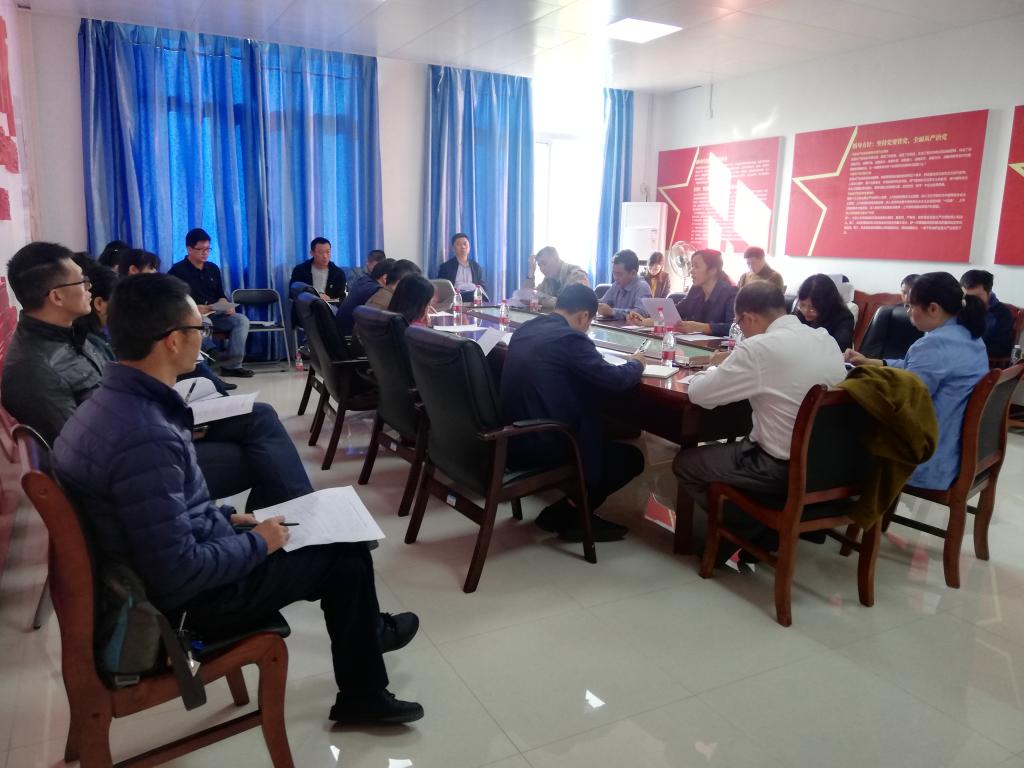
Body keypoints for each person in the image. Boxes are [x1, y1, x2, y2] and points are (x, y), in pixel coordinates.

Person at [52, 273, 423, 725]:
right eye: (199, 329)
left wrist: (230, 519)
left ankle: (365, 657)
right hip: (184, 607)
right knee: (345, 554)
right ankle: (364, 689)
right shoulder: (144, 434)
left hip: (159, 572)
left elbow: (166, 514)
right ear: (172, 341)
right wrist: (258, 543)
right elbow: (178, 574)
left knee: (330, 537)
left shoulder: (109, 403)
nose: (204, 337)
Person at [1, 242, 307, 508]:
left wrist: (173, 419)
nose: (89, 287)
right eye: (81, 281)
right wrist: (173, 428)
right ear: (56, 297)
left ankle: (295, 532)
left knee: (260, 416)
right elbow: (85, 453)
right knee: (266, 456)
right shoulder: (34, 369)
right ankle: (297, 535)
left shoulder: (74, 336)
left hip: (146, 434)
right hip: (135, 472)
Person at [674, 281, 848, 559]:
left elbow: (699, 394)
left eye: (739, 323)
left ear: (749, 317)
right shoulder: (824, 339)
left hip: (780, 469)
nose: (740, 330)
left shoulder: (759, 348)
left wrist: (717, 366)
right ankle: (763, 526)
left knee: (686, 464)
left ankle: (749, 527)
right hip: (832, 467)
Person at [501, 283, 645, 542]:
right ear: (584, 316)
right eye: (588, 323)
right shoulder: (571, 338)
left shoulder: (527, 328)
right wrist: (636, 364)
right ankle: (572, 514)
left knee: (601, 431)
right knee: (630, 458)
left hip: (511, 434)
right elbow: (615, 381)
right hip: (543, 441)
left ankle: (566, 510)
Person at [845, 272, 989, 490]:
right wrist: (873, 362)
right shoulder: (968, 336)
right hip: (956, 451)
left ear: (933, 308)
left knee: (844, 431)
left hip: (927, 458)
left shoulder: (934, 345)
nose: (908, 311)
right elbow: (914, 371)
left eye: (910, 306)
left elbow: (905, 399)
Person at [168, 228, 253, 378]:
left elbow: (220, 294)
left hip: (215, 313)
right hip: (192, 316)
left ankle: (232, 365)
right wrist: (194, 308)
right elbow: (173, 301)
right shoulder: (177, 271)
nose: (205, 253)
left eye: (208, 249)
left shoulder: (213, 268)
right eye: (200, 249)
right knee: (203, 322)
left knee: (241, 320)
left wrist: (225, 304)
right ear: (189, 249)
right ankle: (212, 357)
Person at [629, 248, 736, 335]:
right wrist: (644, 321)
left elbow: (734, 328)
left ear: (713, 270)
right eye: (691, 266)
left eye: (696, 266)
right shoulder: (696, 290)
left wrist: (702, 327)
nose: (691, 271)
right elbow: (674, 314)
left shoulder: (731, 293)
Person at [960, 269, 1014, 360]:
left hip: (980, 361)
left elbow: (1001, 348)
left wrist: (968, 348)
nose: (970, 301)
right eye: (966, 296)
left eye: (976, 297)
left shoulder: (1002, 313)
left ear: (989, 293)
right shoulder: (956, 307)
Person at [793, 273, 855, 352]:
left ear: (827, 304)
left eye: (812, 307)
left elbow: (840, 349)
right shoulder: (800, 312)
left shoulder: (844, 317)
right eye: (802, 304)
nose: (806, 311)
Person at [336, 258, 394, 337]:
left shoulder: (363, 280)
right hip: (350, 337)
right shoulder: (376, 291)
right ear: (385, 278)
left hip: (341, 332)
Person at [523, 246, 589, 310]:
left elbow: (572, 302)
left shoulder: (576, 274)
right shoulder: (548, 279)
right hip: (556, 317)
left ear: (556, 259)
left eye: (544, 263)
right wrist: (531, 272)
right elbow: (528, 296)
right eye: (539, 265)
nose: (542, 269)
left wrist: (541, 301)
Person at [597, 249, 652, 320]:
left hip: (630, 327)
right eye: (614, 273)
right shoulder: (616, 284)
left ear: (633, 273)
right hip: (614, 326)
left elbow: (641, 313)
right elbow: (603, 302)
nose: (615, 278)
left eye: (619, 274)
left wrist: (613, 312)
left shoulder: (642, 287)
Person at [290, 237, 346, 302]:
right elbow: (292, 294)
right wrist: (314, 297)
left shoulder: (338, 273)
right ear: (312, 253)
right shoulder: (300, 270)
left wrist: (330, 300)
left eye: (328, 252)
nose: (325, 256)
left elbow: (343, 299)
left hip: (329, 306)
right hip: (306, 305)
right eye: (321, 252)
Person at [437, 233, 486, 300]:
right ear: (453, 248)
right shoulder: (445, 267)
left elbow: (482, 287)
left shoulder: (476, 267)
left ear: (469, 246)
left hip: (473, 300)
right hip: (453, 300)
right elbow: (441, 288)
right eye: (459, 244)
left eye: (465, 244)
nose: (463, 247)